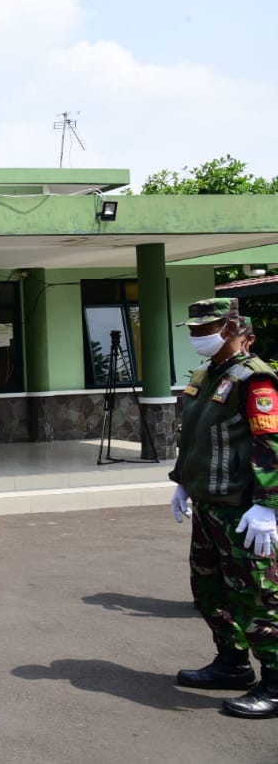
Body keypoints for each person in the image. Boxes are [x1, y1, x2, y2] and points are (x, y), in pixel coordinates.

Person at [168, 297, 278, 719]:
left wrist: (268, 504)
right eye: (193, 330)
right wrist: (182, 483)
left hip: (243, 510)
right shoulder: (206, 375)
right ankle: (231, 664)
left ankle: (275, 680)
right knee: (210, 591)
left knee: (257, 596)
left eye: (206, 329)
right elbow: (193, 434)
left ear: (232, 329)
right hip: (208, 503)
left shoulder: (255, 380)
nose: (198, 337)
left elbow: (269, 443)